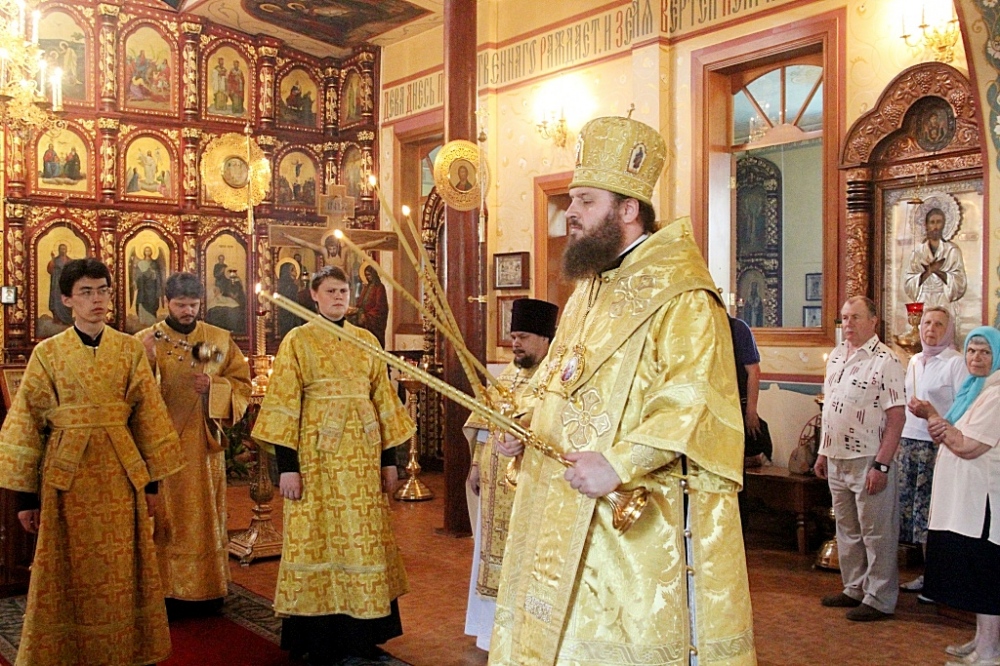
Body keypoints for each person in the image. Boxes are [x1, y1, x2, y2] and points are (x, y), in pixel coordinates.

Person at [491, 116, 755, 664]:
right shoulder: (590, 289)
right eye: (572, 200)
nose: (571, 212)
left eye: (586, 201)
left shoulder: (683, 296)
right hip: (561, 503)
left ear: (629, 209)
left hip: (629, 519)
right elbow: (559, 376)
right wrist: (524, 421)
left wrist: (618, 462)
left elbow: (693, 401)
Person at [0, 258, 184, 665]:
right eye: (86, 292)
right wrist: (25, 499)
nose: (97, 300)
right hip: (67, 480)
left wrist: (152, 486)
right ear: (66, 300)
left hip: (121, 477)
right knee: (66, 569)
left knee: (121, 568)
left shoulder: (129, 350)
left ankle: (124, 650)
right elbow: (26, 426)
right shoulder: (47, 353)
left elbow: (148, 418)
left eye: (103, 291)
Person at [252, 265, 415, 665]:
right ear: (314, 295)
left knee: (364, 544)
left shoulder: (367, 340)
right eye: (330, 291)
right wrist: (287, 468)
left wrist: (389, 462)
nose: (339, 297)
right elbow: (283, 405)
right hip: (317, 461)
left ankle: (362, 638)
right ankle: (320, 642)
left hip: (362, 462)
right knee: (318, 540)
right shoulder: (298, 340)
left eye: (343, 290)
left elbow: (383, 402)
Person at [138, 272, 252, 615]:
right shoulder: (146, 340)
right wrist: (148, 361)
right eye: (180, 305)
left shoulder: (216, 339)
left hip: (202, 448)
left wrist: (215, 388)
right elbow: (131, 392)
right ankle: (165, 590)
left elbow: (241, 384)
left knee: (203, 517)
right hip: (160, 447)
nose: (187, 311)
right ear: (166, 303)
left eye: (193, 304)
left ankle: (207, 588)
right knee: (164, 518)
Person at [463, 298, 558, 652]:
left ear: (545, 338)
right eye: (513, 336)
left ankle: (520, 633)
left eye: (523, 337)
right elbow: (483, 421)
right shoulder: (508, 374)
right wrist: (476, 465)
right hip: (494, 486)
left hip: (529, 486)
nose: (515, 344)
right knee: (489, 556)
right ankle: (488, 631)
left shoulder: (554, 378)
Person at [909, 327, 1000, 664]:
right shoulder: (975, 389)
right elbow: (952, 432)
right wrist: (938, 422)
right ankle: (982, 640)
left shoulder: (996, 394)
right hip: (963, 498)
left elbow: (967, 445)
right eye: (972, 351)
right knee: (975, 575)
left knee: (986, 575)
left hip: (982, 502)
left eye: (985, 352)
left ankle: (989, 651)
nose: (976, 358)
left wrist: (932, 415)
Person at [815, 295, 905, 622]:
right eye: (845, 317)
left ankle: (879, 598)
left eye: (855, 317)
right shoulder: (837, 355)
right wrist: (823, 452)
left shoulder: (886, 360)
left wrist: (881, 464)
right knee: (847, 529)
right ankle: (854, 587)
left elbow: (896, 418)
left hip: (868, 457)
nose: (848, 324)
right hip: (836, 456)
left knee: (876, 532)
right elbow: (830, 408)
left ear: (873, 321)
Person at [897, 306, 966, 594]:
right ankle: (928, 575)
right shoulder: (914, 360)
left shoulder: (955, 362)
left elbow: (963, 408)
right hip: (910, 441)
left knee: (933, 512)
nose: (930, 329)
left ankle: (940, 579)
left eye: (938, 324)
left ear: (948, 330)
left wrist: (933, 414)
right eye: (926, 323)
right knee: (916, 513)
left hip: (936, 445)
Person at [729, 314, 767, 530]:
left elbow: (753, 371)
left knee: (736, 472)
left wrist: (751, 411)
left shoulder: (737, 328)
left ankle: (740, 529)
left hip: (736, 410)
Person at [903, 207, 967, 311]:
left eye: (939, 222)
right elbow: (909, 282)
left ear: (944, 224)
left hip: (944, 299)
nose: (935, 227)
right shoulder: (918, 252)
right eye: (932, 222)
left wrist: (938, 271)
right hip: (924, 298)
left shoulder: (952, 250)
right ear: (926, 225)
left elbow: (959, 282)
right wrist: (928, 272)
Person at [350, 264, 389, 348]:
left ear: (374, 274)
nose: (367, 277)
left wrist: (367, 316)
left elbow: (381, 307)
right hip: (363, 318)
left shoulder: (379, 287)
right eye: (366, 275)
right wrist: (356, 310)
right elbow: (361, 302)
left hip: (373, 321)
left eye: (369, 275)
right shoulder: (366, 287)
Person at [46, 243, 74, 325]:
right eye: (61, 249)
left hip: (66, 284)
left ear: (66, 250)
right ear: (58, 250)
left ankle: (67, 319)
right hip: (56, 284)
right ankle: (57, 319)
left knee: (67, 298)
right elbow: (50, 270)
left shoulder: (70, 261)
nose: (63, 250)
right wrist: (52, 259)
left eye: (64, 249)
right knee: (56, 299)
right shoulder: (55, 260)